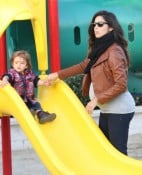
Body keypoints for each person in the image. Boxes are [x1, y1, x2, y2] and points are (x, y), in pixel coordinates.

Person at [47, 10, 135, 155]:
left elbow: (121, 84)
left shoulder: (114, 51)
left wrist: (96, 100)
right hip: (107, 109)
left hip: (119, 109)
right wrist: (57, 75)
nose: (96, 27)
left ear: (111, 27)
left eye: (100, 24)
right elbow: (83, 66)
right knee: (106, 152)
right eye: (94, 24)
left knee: (118, 153)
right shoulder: (100, 49)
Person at [0, 50, 56, 124]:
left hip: (29, 98)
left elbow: (36, 80)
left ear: (26, 65)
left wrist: (43, 83)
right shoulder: (13, 73)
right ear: (13, 64)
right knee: (23, 108)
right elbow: (7, 76)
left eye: (22, 63)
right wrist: (4, 80)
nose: (18, 65)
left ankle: (41, 115)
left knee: (36, 104)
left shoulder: (29, 74)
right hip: (17, 100)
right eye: (16, 63)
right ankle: (29, 113)